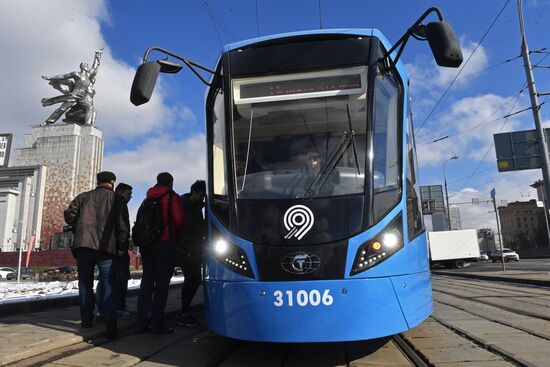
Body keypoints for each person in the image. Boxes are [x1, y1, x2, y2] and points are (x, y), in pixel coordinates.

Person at [64, 171, 130, 339]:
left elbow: (69, 214)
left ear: (98, 181)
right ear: (112, 182)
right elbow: (123, 226)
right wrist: (122, 246)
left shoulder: (83, 197)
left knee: (85, 284)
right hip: (107, 248)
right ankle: (109, 318)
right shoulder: (117, 199)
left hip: (83, 246)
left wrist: (78, 225)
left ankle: (86, 320)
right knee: (108, 282)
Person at [136, 172, 185, 334]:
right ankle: (157, 323)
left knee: (147, 283)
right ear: (171, 182)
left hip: (147, 245)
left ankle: (142, 321)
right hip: (164, 243)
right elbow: (178, 221)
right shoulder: (172, 197)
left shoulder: (147, 198)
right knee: (162, 285)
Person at [96, 183, 134, 319]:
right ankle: (118, 308)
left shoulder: (103, 203)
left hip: (102, 247)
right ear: (121, 192)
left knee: (104, 280)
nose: (130, 197)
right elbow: (123, 228)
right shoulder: (120, 203)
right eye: (129, 194)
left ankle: (101, 309)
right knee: (121, 279)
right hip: (117, 248)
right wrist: (122, 248)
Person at [41, 50, 102, 125]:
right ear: (82, 67)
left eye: (87, 66)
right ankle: (47, 122)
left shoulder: (88, 76)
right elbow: (63, 76)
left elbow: (94, 67)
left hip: (82, 97)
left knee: (90, 108)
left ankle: (87, 125)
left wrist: (97, 56)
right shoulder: (76, 74)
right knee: (62, 109)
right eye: (85, 65)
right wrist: (50, 78)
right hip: (74, 95)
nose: (87, 67)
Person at [175, 180, 206, 327]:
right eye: (201, 196)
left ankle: (184, 311)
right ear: (194, 192)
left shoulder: (195, 206)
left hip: (193, 249)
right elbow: (184, 229)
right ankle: (183, 312)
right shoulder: (184, 205)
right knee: (192, 279)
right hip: (187, 250)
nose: (202, 199)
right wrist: (184, 249)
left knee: (194, 279)